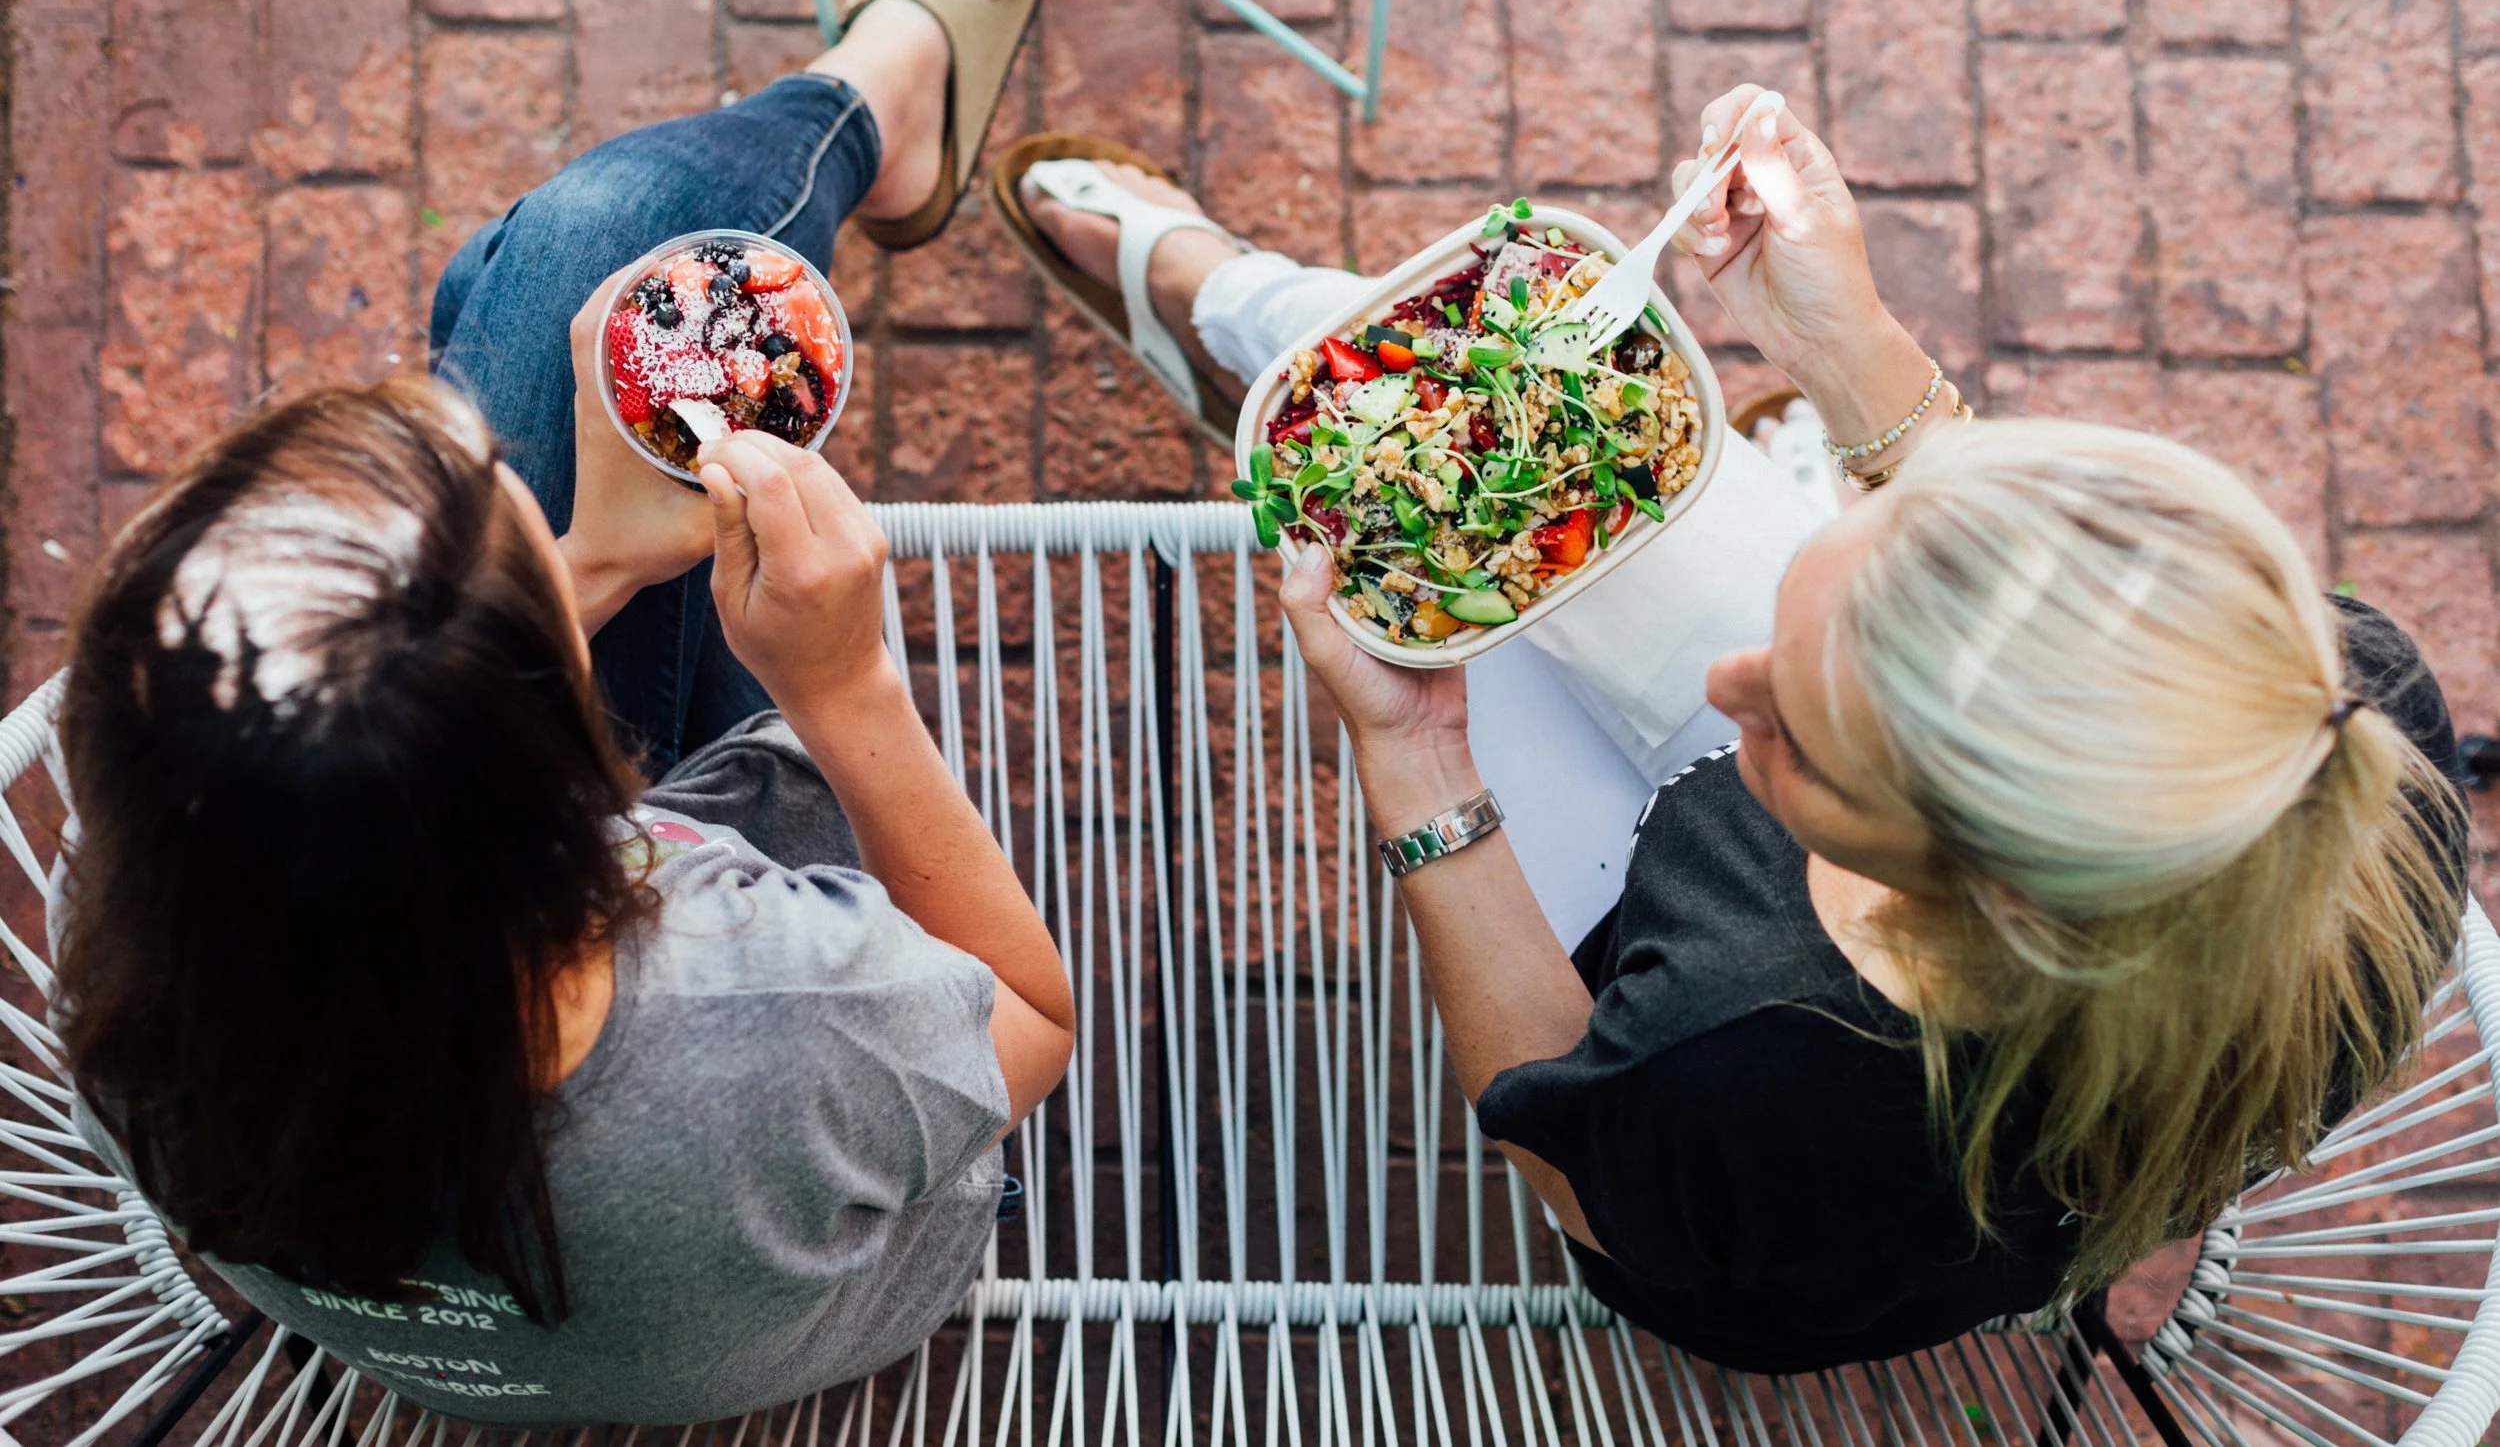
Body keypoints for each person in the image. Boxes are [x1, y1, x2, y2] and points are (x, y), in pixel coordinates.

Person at [992, 89, 2471, 1372]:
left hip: (1707, 1198)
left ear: (1976, 891)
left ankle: (1219, 305)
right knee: (1450, 427)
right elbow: (1996, 577)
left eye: (1802, 739)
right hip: (2058, 1084)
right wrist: (1854, 340)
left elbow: (1559, 1152)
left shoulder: (1742, 1046)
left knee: (1405, 493)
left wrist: (1418, 761)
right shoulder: (2353, 721)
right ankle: (1260, 324)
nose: (1727, 688)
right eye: (1832, 593)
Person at [52, 0, 1070, 1427]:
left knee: (531, 279)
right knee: (602, 251)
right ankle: (880, 92)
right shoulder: (782, 1009)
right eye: (504, 502)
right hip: (813, 1251)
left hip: (509, 1292)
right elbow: (1028, 1017)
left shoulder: (140, 956)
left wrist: (591, 563)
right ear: (600, 793)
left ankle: (877, 95)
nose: (474, 442)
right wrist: (848, 693)